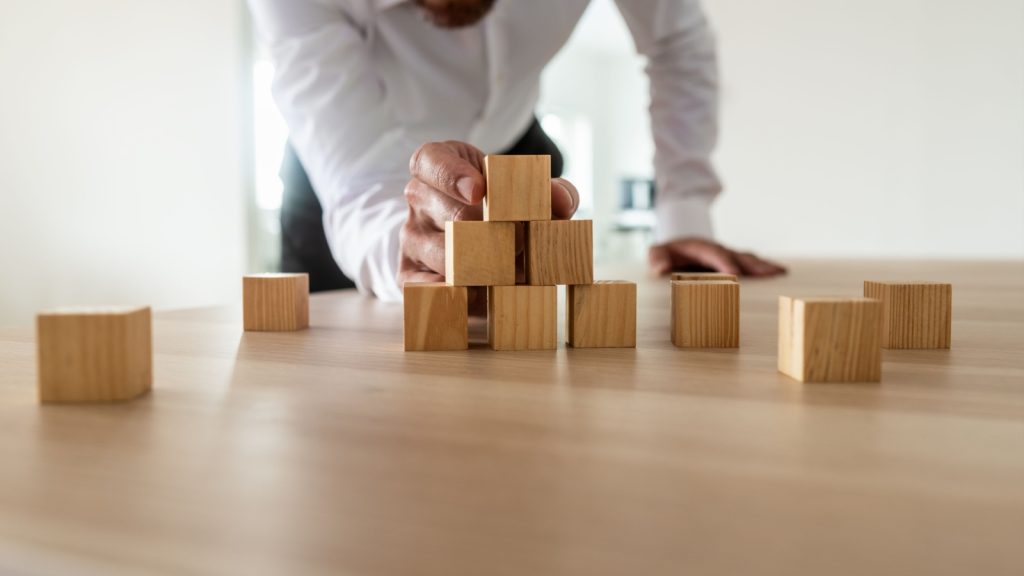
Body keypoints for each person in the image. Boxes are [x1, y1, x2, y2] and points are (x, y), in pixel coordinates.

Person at [248, 0, 786, 300]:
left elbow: (676, 41)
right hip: (342, 175)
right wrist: (410, 252)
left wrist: (684, 211)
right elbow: (362, 182)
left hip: (514, 143)